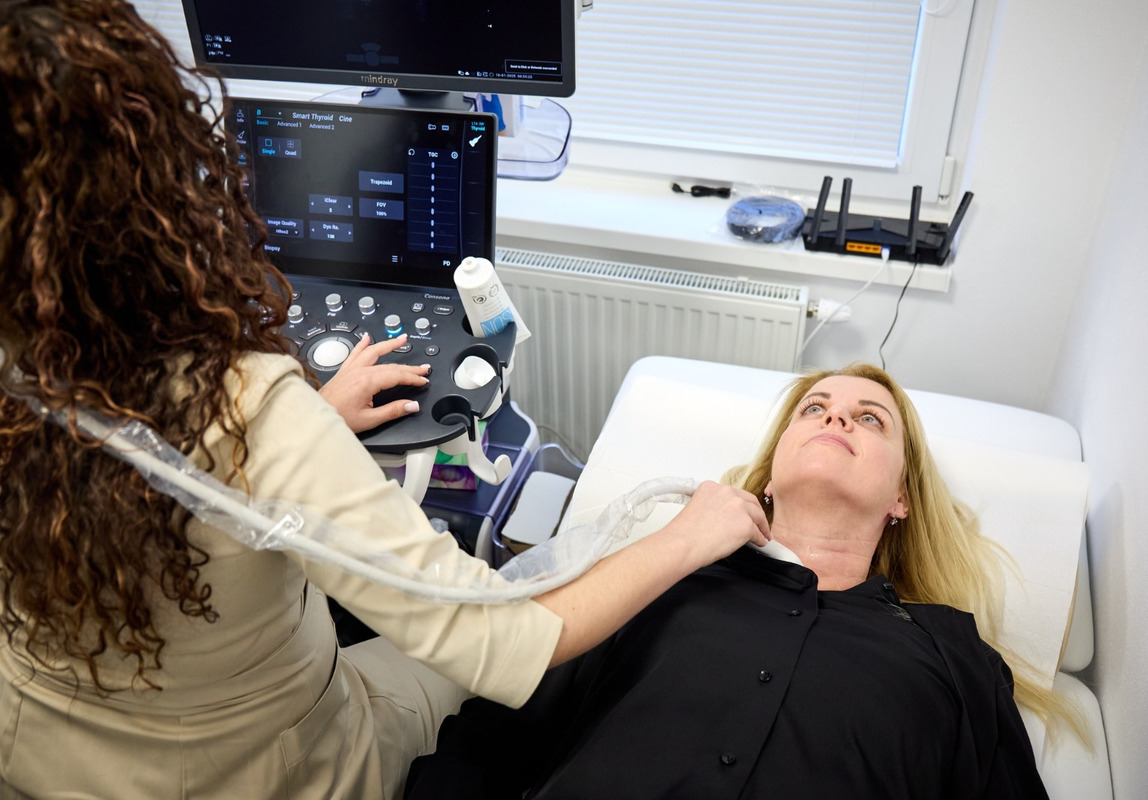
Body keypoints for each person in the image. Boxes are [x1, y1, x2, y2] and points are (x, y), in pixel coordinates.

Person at [0, 2, 770, 798]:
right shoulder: (251, 413)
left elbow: (161, 476)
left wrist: (314, 428)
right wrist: (689, 535)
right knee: (457, 652)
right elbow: (513, 641)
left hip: (34, 750)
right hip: (251, 775)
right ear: (162, 178)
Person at [404, 363, 1079, 800]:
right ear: (769, 472)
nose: (835, 418)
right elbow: (489, 742)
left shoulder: (950, 656)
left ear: (901, 497)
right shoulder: (659, 578)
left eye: (870, 418)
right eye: (812, 409)